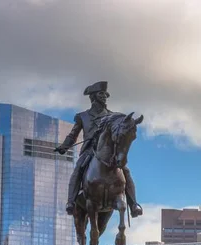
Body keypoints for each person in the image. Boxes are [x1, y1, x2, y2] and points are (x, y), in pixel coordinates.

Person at [55, 81, 141, 219]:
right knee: (78, 169)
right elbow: (73, 134)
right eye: (101, 94)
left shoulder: (113, 116)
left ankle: (134, 205)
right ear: (93, 96)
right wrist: (64, 146)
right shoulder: (83, 116)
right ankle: (71, 201)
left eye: (106, 95)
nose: (105, 97)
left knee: (126, 170)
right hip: (90, 151)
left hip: (109, 152)